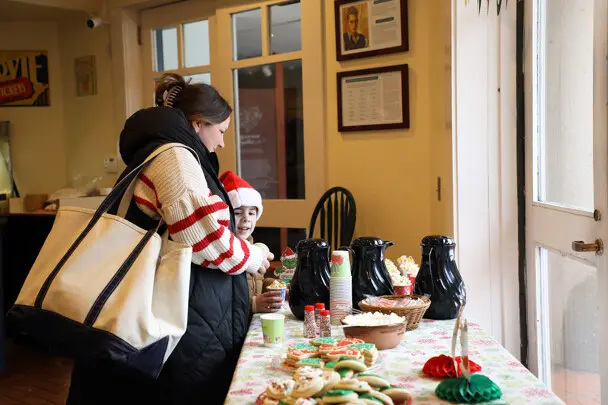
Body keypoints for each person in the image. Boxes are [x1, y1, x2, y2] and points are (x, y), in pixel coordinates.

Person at [66, 73, 272, 405]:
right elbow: (204, 239)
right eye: (220, 132)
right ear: (198, 123)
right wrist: (252, 257)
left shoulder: (158, 151)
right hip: (178, 310)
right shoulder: (176, 158)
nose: (221, 143)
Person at [219, 170, 283, 314]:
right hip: (235, 328)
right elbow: (221, 299)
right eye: (237, 212)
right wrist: (252, 304)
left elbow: (256, 282)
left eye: (251, 213)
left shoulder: (253, 249)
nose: (246, 218)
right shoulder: (224, 252)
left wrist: (273, 288)